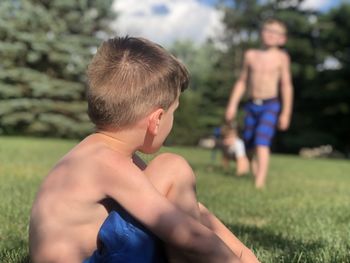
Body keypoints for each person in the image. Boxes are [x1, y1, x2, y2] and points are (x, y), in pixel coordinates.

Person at [29, 36, 259, 263]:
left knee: (171, 179)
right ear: (156, 120)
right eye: (173, 112)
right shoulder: (108, 163)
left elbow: (181, 206)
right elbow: (192, 237)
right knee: (174, 167)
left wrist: (245, 255)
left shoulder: (99, 152)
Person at [225, 18, 293, 189]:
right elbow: (242, 82)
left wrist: (286, 113)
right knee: (248, 141)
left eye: (276, 32)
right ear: (261, 32)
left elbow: (286, 85)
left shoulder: (282, 57)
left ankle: (259, 182)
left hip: (271, 104)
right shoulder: (251, 55)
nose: (271, 34)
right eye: (267, 29)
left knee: (262, 141)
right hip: (251, 104)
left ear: (282, 39)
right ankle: (254, 169)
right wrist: (232, 105)